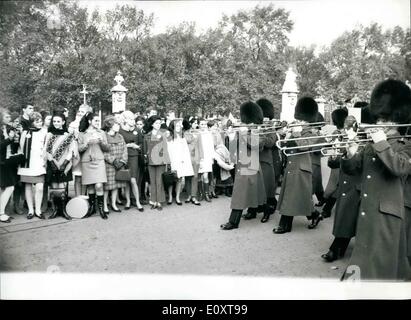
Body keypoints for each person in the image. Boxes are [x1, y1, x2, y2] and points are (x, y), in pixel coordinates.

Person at [341, 79, 411, 280]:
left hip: (387, 214)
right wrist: (351, 152)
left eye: (385, 119)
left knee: (382, 265)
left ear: (397, 119)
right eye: (378, 119)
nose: (379, 124)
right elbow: (353, 170)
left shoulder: (405, 144)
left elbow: (400, 168)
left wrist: (381, 142)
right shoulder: (372, 144)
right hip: (367, 210)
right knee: (367, 261)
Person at [273, 97, 321, 234]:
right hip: (292, 166)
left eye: (301, 120)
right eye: (298, 119)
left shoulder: (313, 132)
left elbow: (304, 147)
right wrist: (287, 138)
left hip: (302, 168)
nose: (298, 122)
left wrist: (296, 132)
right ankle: (314, 215)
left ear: (308, 120)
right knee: (296, 197)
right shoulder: (297, 130)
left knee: (294, 196)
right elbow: (284, 148)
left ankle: (285, 225)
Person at [220, 101, 267, 230]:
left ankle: (233, 222)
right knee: (254, 191)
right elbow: (234, 148)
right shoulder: (243, 130)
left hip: (251, 165)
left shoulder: (258, 131)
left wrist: (244, 133)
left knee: (239, 194)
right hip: (243, 164)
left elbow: (256, 145)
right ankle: (255, 211)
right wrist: (231, 136)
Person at [244, 98, 277, 223]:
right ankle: (252, 210)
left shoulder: (270, 128)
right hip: (253, 160)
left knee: (267, 189)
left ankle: (267, 212)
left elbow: (270, 142)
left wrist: (258, 136)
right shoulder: (252, 126)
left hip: (265, 162)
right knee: (253, 187)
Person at [44, 111, 78, 220]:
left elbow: (71, 151)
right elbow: (46, 150)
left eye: (58, 121)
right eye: (54, 121)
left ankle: (63, 210)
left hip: (64, 164)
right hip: (52, 163)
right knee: (54, 188)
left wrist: (64, 164)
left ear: (63, 122)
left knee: (63, 188)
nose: (56, 123)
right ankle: (55, 210)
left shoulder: (68, 135)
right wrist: (52, 163)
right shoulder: (49, 134)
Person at [78, 112, 109, 220]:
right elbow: (79, 149)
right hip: (87, 161)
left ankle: (101, 208)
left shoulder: (102, 133)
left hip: (99, 161)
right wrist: (86, 143)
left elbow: (107, 148)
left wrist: (101, 142)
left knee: (99, 185)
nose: (98, 123)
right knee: (90, 186)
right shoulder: (82, 133)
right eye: (96, 120)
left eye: (98, 121)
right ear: (90, 121)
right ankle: (92, 208)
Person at [18, 112, 48, 219]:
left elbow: (45, 147)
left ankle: (38, 210)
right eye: (37, 121)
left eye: (41, 121)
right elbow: (21, 148)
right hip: (27, 163)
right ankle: (31, 210)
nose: (40, 123)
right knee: (28, 186)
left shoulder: (44, 131)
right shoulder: (25, 132)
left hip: (39, 162)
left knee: (40, 187)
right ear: (32, 122)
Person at [0, 108, 24, 223]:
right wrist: (9, 139)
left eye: (10, 117)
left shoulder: (7, 128)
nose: (10, 119)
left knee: (5, 187)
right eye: (7, 117)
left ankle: (3, 212)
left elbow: (12, 146)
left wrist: (16, 138)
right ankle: (1, 213)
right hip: (2, 163)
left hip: (7, 162)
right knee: (9, 187)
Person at [119, 110, 144, 211]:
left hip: (134, 156)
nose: (132, 121)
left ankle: (137, 201)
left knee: (133, 180)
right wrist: (128, 145)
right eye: (130, 119)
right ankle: (128, 201)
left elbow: (142, 144)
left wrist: (137, 146)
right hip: (124, 157)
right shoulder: (120, 131)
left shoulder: (137, 130)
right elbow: (118, 145)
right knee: (126, 180)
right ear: (125, 119)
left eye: (133, 119)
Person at [102, 115, 128, 214]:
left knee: (116, 186)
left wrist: (123, 161)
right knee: (107, 187)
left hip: (120, 165)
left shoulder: (120, 136)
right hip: (109, 165)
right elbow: (103, 152)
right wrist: (113, 161)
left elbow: (125, 149)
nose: (118, 126)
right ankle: (105, 205)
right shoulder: (104, 136)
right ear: (110, 125)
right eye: (116, 124)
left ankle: (113, 204)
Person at [144, 115, 170, 210]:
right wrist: (145, 158)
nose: (158, 125)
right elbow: (145, 149)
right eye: (156, 123)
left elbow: (166, 148)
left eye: (159, 123)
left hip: (160, 161)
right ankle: (153, 201)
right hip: (151, 161)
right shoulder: (147, 135)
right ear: (152, 124)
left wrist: (167, 161)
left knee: (159, 181)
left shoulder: (163, 134)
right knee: (153, 181)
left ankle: (159, 201)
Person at [166, 119, 194, 205]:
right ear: (173, 126)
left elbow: (185, 150)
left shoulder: (182, 137)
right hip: (172, 160)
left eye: (180, 125)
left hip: (181, 161)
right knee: (171, 179)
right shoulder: (169, 136)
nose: (180, 127)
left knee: (179, 179)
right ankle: (170, 197)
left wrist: (185, 160)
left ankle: (177, 197)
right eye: (178, 125)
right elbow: (167, 150)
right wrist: (169, 161)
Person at [68, 104, 92, 197]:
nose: (80, 113)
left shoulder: (89, 123)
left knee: (85, 177)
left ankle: (84, 197)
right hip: (77, 151)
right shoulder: (73, 124)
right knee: (78, 176)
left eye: (83, 112)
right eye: (79, 111)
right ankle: (77, 197)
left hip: (87, 152)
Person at [183, 117, 201, 205]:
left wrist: (202, 158)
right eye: (194, 123)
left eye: (197, 123)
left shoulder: (198, 133)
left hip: (196, 157)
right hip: (187, 157)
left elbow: (200, 146)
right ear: (190, 123)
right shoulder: (184, 133)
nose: (196, 125)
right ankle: (189, 195)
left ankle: (194, 196)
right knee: (187, 177)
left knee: (195, 177)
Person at [197, 118, 215, 202]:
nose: (203, 126)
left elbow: (211, 147)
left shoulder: (209, 134)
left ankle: (207, 194)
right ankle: (200, 193)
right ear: (199, 125)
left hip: (207, 157)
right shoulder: (197, 134)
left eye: (204, 124)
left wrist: (212, 158)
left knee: (205, 176)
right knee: (199, 176)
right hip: (199, 157)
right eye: (201, 124)